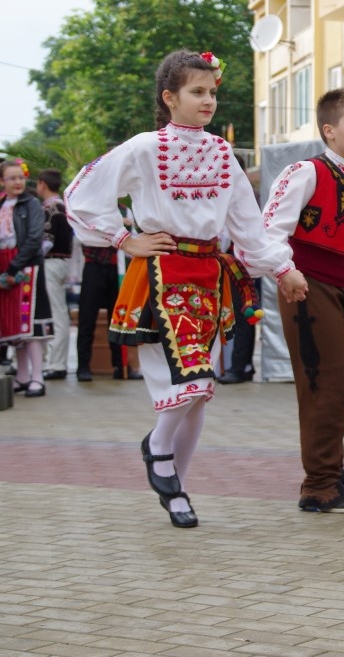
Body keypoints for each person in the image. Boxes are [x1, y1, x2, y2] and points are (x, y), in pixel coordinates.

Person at [65, 50, 308, 528]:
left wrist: (283, 269)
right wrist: (125, 239)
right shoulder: (144, 147)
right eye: (197, 92)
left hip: (208, 278)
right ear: (169, 98)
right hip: (161, 275)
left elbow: (248, 226)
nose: (208, 100)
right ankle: (158, 448)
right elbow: (82, 196)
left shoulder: (222, 153)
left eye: (212, 92)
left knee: (200, 391)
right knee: (191, 381)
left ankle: (177, 488)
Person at [263, 88, 344, 514]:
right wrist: (285, 270)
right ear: (329, 131)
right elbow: (269, 230)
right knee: (324, 387)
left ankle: (328, 466)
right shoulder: (306, 172)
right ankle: (318, 486)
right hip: (311, 289)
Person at [0, 159, 54, 398]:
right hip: (6, 268)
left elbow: (34, 239)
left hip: (26, 267)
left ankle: (37, 377)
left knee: (30, 323)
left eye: (20, 177)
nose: (17, 182)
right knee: (14, 325)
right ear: (2, 181)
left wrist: (14, 266)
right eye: (12, 178)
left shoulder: (31, 204)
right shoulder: (2, 205)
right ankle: (22, 375)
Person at [37, 169, 73, 381]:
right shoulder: (63, 206)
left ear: (42, 183)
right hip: (60, 263)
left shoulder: (51, 208)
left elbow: (46, 242)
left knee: (56, 314)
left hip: (51, 263)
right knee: (58, 313)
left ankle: (57, 363)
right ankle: (54, 362)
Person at [74, 243, 125, 382]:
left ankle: (120, 365)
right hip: (93, 266)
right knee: (86, 319)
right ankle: (83, 366)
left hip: (117, 267)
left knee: (118, 320)